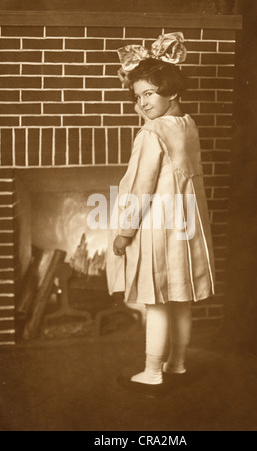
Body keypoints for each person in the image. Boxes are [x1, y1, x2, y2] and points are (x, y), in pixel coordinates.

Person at [106, 33, 215, 390]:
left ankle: (152, 372)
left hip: (158, 227)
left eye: (149, 94)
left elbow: (141, 186)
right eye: (138, 96)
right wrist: (147, 115)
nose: (143, 102)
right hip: (186, 229)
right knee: (181, 300)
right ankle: (177, 363)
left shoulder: (150, 134)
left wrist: (125, 232)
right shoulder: (188, 125)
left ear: (172, 91)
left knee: (155, 303)